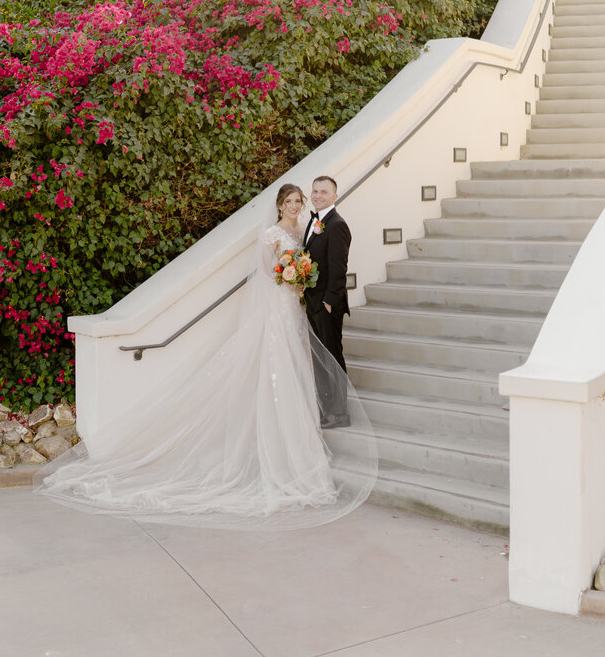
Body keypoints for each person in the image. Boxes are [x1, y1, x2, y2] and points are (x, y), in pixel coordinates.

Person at [33, 184, 377, 529]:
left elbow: (317, 263)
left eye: (298, 201)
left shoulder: (304, 229)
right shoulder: (274, 232)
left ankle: (314, 415)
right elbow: (267, 271)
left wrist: (301, 281)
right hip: (279, 306)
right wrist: (288, 277)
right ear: (279, 205)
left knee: (301, 360)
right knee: (279, 362)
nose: (295, 205)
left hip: (296, 307)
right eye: (290, 201)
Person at [302, 176, 351, 428]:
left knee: (332, 358)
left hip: (326, 305)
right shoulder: (316, 221)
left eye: (324, 192)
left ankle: (341, 413)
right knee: (320, 359)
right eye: (315, 191)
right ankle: (327, 409)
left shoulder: (337, 224)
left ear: (335, 196)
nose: (318, 195)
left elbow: (339, 268)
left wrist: (329, 302)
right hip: (313, 302)